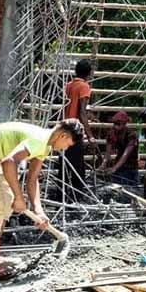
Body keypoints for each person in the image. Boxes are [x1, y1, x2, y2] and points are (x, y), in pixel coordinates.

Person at [0, 119, 84, 280]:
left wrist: (38, 210)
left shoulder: (45, 145)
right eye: (68, 144)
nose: (65, 149)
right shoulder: (40, 139)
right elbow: (9, 161)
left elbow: (32, 179)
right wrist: (19, 197)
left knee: (6, 204)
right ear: (62, 136)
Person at [63, 59, 94, 195]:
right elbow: (82, 111)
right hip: (75, 130)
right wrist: (90, 135)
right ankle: (77, 195)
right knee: (77, 166)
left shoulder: (68, 85)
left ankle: (62, 194)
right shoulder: (84, 86)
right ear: (88, 74)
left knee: (64, 165)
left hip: (64, 128)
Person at [98, 111, 139, 186]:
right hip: (119, 167)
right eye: (115, 123)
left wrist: (114, 168)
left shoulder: (131, 135)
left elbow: (126, 154)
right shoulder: (112, 133)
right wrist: (103, 164)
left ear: (124, 124)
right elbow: (108, 152)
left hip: (130, 167)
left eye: (118, 124)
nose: (115, 126)